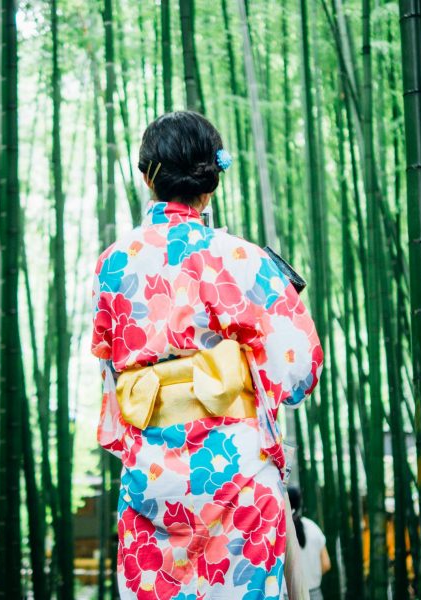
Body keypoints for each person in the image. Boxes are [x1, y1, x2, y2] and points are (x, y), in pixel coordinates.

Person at [90, 111, 323, 599]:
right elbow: (301, 368)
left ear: (147, 176)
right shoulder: (242, 258)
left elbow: (112, 371)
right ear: (211, 183)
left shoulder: (112, 264)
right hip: (238, 473)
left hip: (151, 477)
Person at [287, 487, 331, 600]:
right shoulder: (313, 528)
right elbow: (326, 564)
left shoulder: (279, 532)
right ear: (300, 503)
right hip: (314, 594)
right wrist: (311, 576)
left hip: (288, 595)